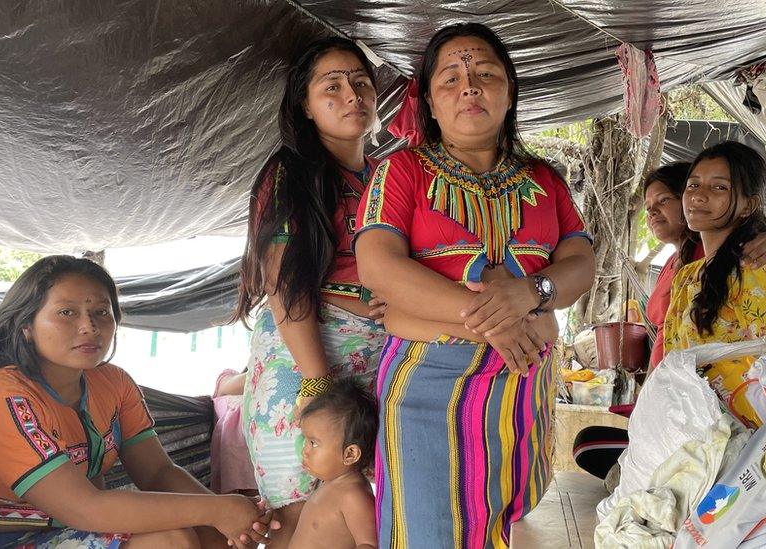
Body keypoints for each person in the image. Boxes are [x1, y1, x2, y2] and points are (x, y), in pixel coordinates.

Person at [353, 23, 595, 547]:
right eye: (451, 79)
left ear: (509, 93)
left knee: (502, 519)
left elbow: (579, 260)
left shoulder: (545, 179)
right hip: (428, 385)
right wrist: (495, 321)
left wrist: (532, 293)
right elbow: (378, 267)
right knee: (428, 532)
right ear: (430, 105)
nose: (469, 86)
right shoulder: (402, 170)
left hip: (522, 383)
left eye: (485, 74)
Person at [0, 255, 274, 549]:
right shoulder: (2, 399)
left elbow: (157, 472)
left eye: (101, 312)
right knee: (172, 541)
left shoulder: (114, 384)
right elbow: (84, 508)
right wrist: (219, 510)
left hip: (71, 525)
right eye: (67, 312)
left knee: (214, 535)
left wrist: (233, 517)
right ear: (26, 326)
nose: (89, 326)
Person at [233, 36, 387, 547]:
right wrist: (318, 383)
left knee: (349, 512)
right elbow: (283, 284)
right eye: (332, 85)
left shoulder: (387, 177)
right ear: (304, 103)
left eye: (361, 82)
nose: (352, 95)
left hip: (371, 366)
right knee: (299, 520)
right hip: (303, 362)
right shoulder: (289, 174)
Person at [572, 161, 766, 480]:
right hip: (672, 401)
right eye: (649, 206)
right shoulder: (680, 269)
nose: (652, 212)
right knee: (591, 445)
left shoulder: (724, 263)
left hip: (709, 410)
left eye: (663, 200)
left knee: (594, 448)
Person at [664, 141, 766, 428]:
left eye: (719, 187)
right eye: (693, 185)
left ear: (749, 205)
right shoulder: (687, 276)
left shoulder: (756, 267)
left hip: (747, 435)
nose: (698, 196)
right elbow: (674, 361)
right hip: (696, 426)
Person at [288, 378, 378, 549]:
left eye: (313, 443)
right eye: (305, 441)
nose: (304, 450)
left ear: (350, 454)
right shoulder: (328, 485)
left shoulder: (353, 496)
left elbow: (369, 544)